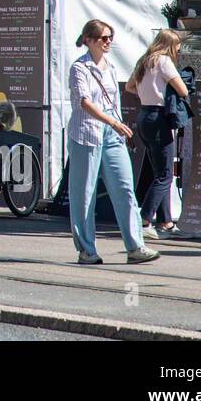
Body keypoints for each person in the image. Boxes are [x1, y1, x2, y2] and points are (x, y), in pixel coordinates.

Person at [66, 19, 160, 266]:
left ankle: (135, 246)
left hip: (111, 135)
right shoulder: (79, 68)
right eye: (103, 38)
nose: (108, 42)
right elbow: (84, 103)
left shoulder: (111, 67)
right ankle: (87, 250)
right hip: (86, 134)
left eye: (110, 37)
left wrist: (116, 126)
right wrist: (114, 122)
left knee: (125, 189)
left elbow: (113, 101)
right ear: (88, 40)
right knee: (84, 194)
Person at [125, 29, 191, 239]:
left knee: (159, 173)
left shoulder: (144, 60)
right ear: (171, 45)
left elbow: (129, 87)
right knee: (165, 175)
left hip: (144, 115)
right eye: (178, 46)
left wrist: (147, 93)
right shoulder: (163, 61)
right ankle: (144, 220)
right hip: (159, 118)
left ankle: (166, 222)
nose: (178, 50)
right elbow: (183, 90)